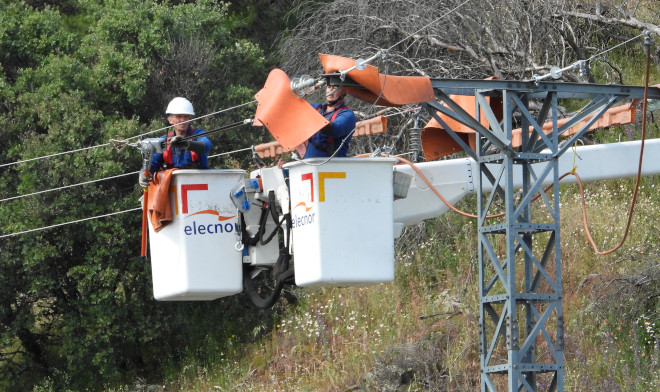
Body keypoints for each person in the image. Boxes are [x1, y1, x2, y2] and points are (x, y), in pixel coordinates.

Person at [139, 97, 212, 187]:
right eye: (178, 116)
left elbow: (206, 146)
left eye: (186, 116)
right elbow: (152, 164)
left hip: (200, 185)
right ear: (170, 120)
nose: (183, 120)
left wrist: (188, 144)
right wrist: (143, 174)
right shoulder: (164, 141)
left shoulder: (198, 134)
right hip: (175, 189)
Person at [303, 86, 356, 158]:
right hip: (311, 164)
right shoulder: (318, 108)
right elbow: (296, 103)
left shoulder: (347, 115)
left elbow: (334, 129)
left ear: (344, 92)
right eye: (329, 87)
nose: (330, 91)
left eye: (334, 88)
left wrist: (315, 117)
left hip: (332, 165)